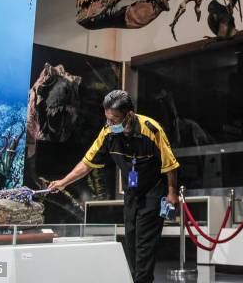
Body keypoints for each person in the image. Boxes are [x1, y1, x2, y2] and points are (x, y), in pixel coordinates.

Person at [49, 90, 179, 283]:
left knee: (144, 244)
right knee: (132, 239)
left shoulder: (151, 130)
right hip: (132, 192)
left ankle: (142, 280)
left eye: (115, 119)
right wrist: (62, 182)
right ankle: (139, 279)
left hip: (154, 191)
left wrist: (171, 193)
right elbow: (87, 163)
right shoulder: (108, 133)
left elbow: (170, 165)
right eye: (107, 118)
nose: (110, 123)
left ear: (129, 115)